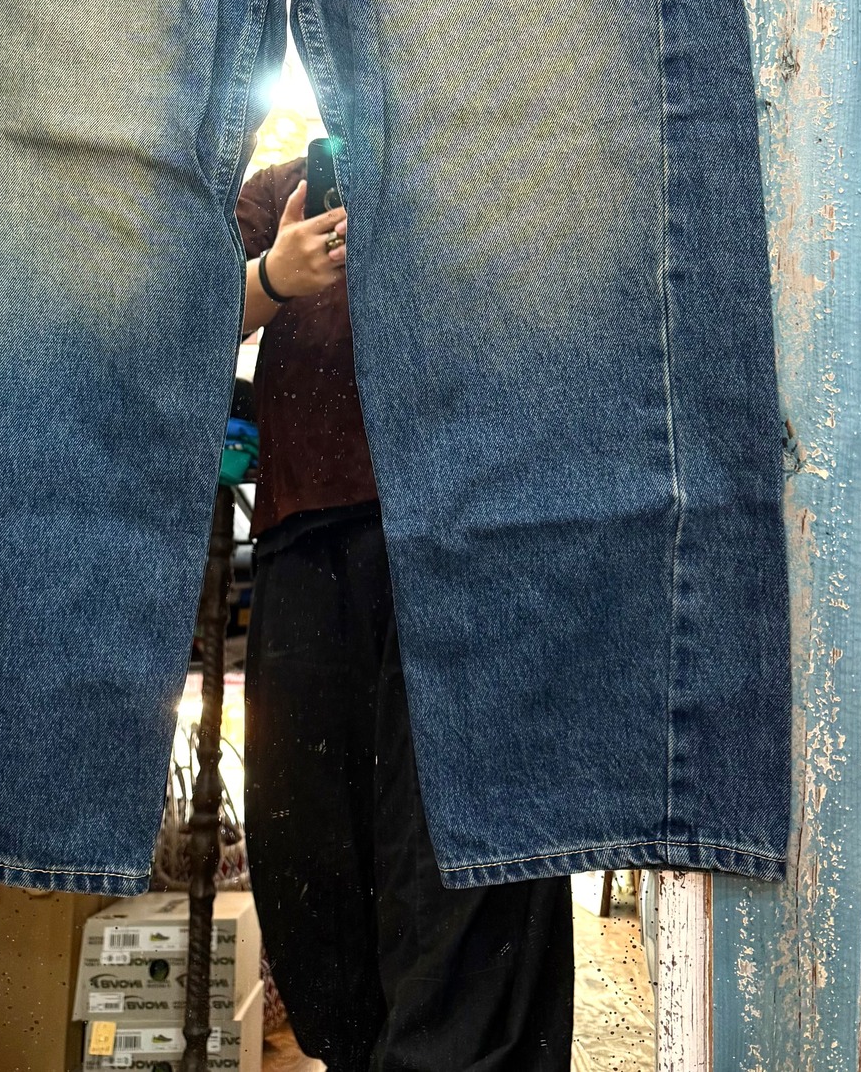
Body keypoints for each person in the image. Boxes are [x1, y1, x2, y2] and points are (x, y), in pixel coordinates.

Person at [237, 157, 575, 1072]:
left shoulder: (472, 159)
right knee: (310, 839)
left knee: (458, 838)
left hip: (465, 526)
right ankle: (361, 1050)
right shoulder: (284, 188)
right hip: (309, 534)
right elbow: (177, 318)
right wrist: (277, 274)